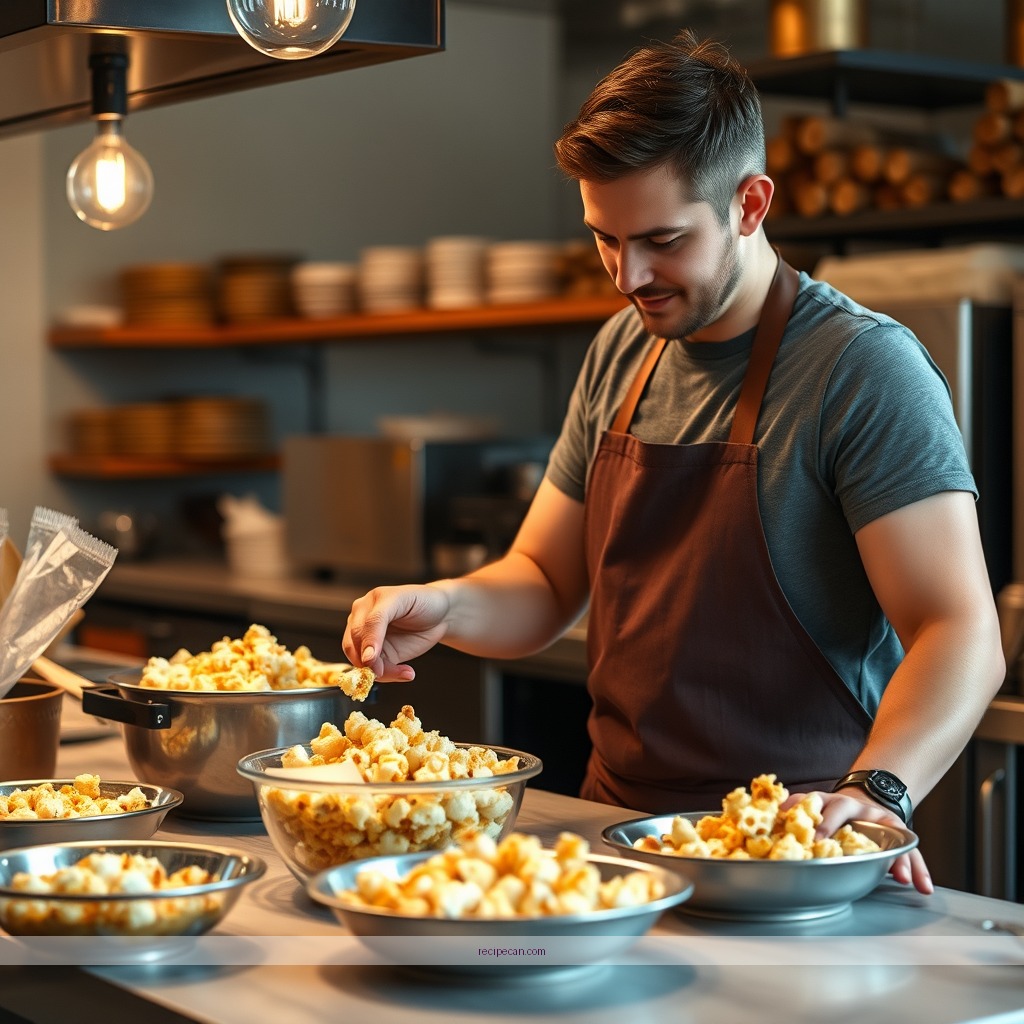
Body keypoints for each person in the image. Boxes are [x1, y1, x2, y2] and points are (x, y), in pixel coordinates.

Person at [344, 29, 1005, 895]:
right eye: (605, 240)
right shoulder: (624, 349)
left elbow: (961, 631)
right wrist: (447, 604)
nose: (628, 275)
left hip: (792, 849)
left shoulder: (861, 370)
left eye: (662, 239)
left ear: (751, 204)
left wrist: (878, 789)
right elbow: (545, 580)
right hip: (619, 842)